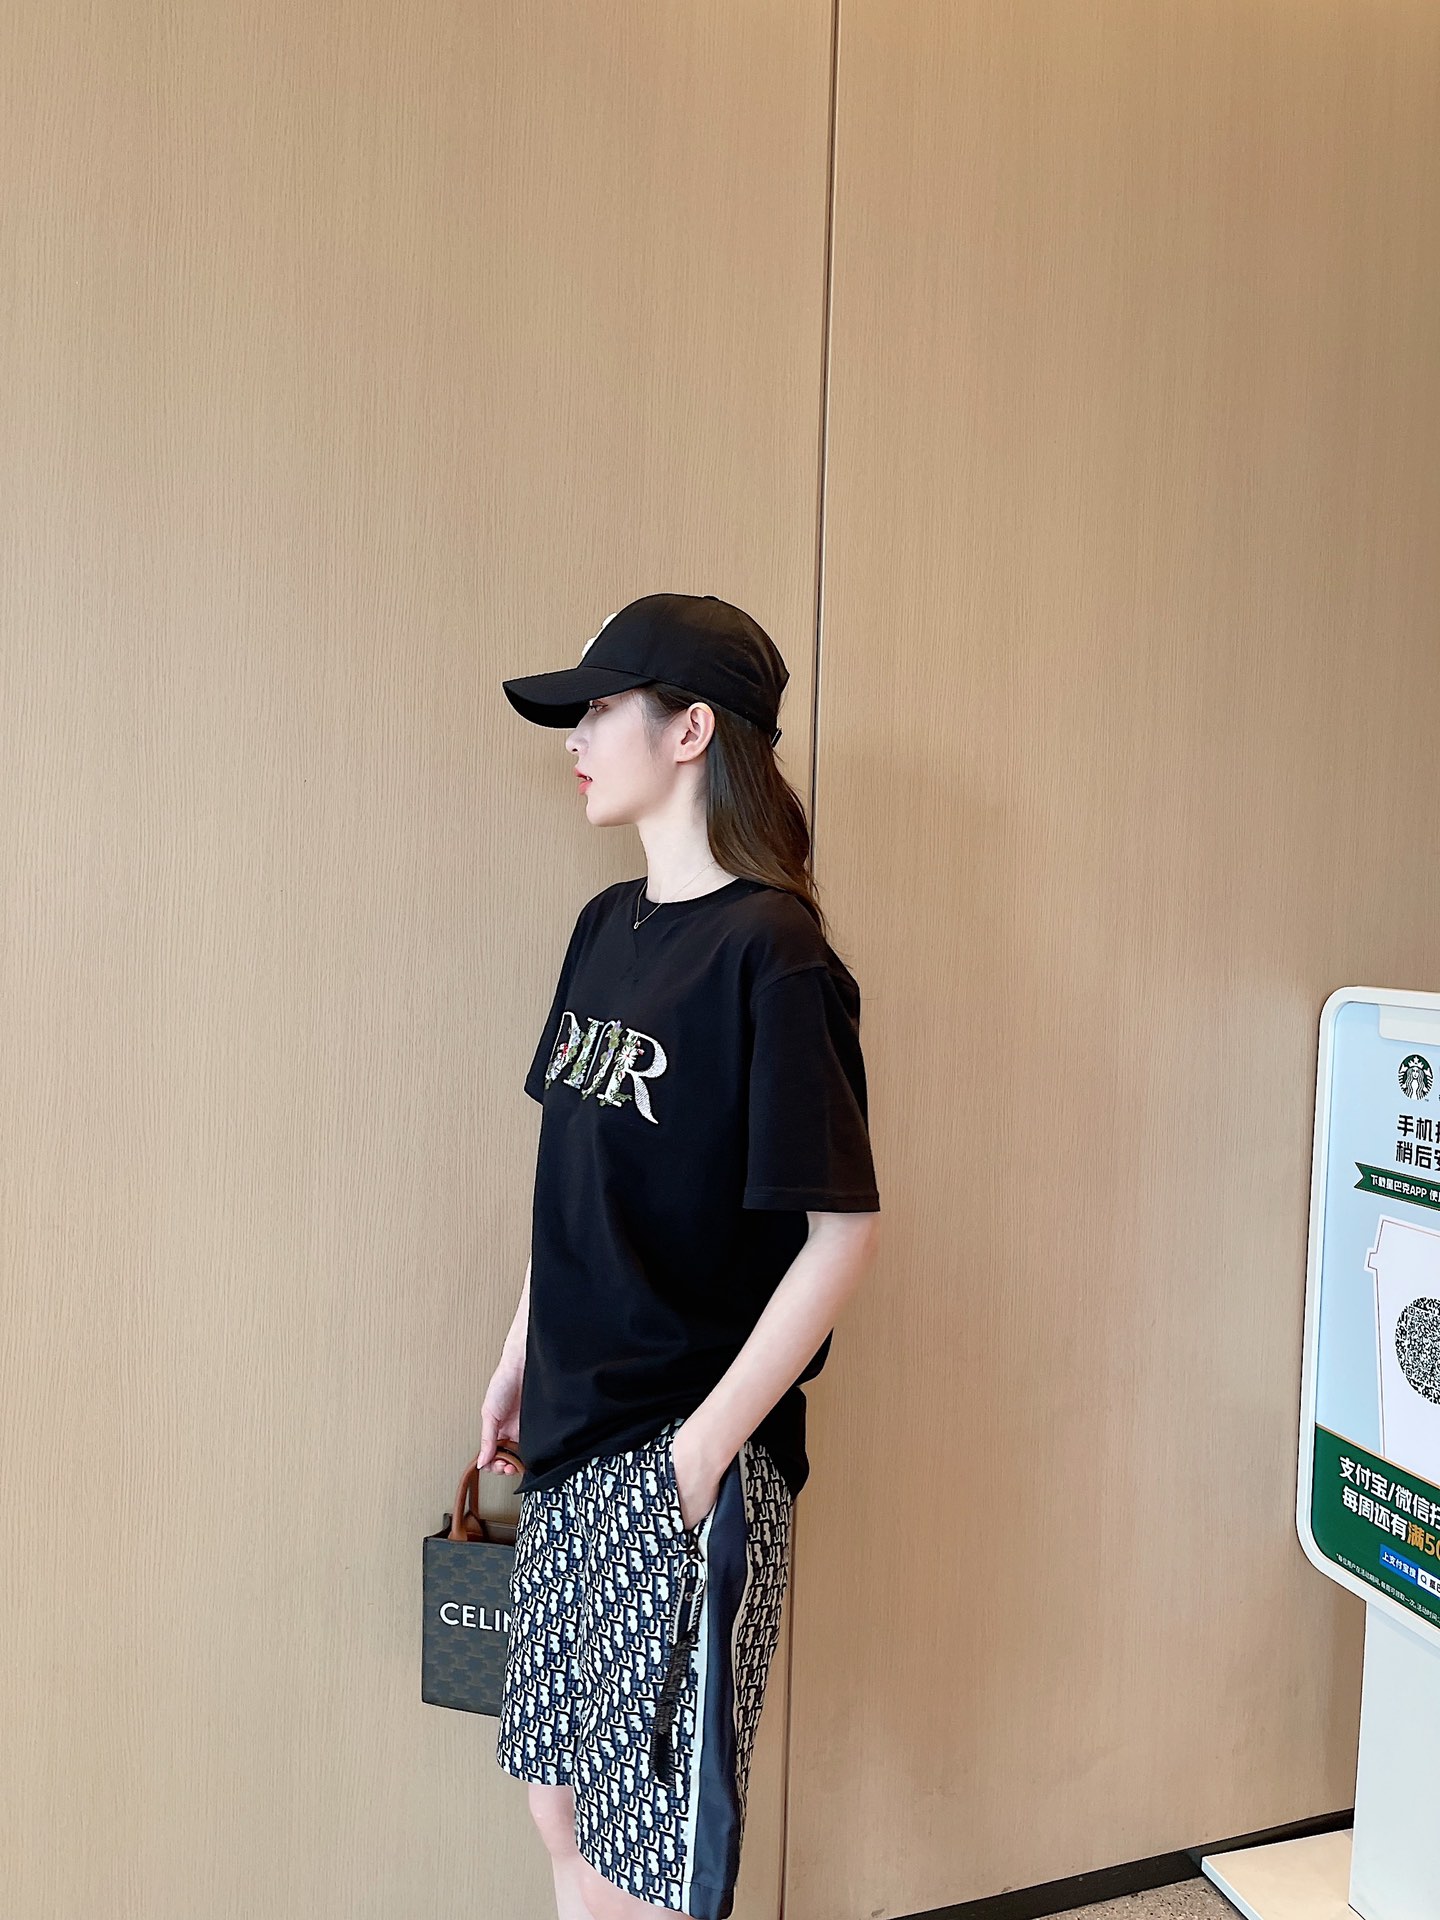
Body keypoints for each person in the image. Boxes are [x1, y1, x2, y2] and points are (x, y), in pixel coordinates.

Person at [479, 592, 881, 1920]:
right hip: (570, 1437)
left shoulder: (775, 954)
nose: (576, 740)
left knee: (652, 1856)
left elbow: (842, 1231)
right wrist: (518, 1354)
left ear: (691, 729)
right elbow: (573, 1180)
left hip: (679, 1455)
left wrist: (702, 1456)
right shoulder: (604, 928)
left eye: (600, 709)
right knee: (558, 1802)